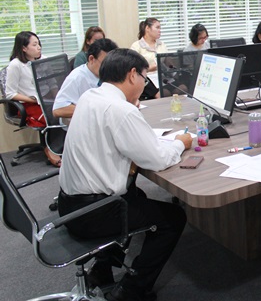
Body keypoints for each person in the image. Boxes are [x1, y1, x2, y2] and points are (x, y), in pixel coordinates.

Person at [57, 48, 192, 301]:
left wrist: (131, 107)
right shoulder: (120, 110)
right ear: (132, 75)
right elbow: (157, 159)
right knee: (173, 218)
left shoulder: (90, 97)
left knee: (135, 195)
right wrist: (180, 143)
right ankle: (131, 291)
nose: (144, 83)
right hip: (92, 213)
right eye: (144, 77)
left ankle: (101, 270)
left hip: (69, 205)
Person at [5, 31, 61, 167]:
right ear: (24, 48)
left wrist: (59, 98)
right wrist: (33, 100)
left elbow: (52, 83)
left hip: (46, 100)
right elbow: (10, 94)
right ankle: (51, 149)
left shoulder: (43, 60)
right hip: (29, 103)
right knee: (52, 117)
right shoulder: (15, 65)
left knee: (64, 113)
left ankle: (61, 147)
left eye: (39, 44)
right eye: (34, 45)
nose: (39, 47)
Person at [53, 38, 118, 120]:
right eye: (104, 64)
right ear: (91, 59)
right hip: (84, 123)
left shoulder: (109, 75)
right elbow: (58, 110)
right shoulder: (76, 78)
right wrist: (94, 110)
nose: (108, 68)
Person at [131, 18, 164, 99]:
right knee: (159, 93)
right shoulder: (136, 46)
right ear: (147, 28)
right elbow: (134, 70)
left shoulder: (162, 44)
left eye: (160, 28)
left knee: (180, 87)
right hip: (146, 78)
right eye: (157, 27)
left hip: (162, 77)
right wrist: (149, 69)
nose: (160, 31)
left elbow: (168, 62)